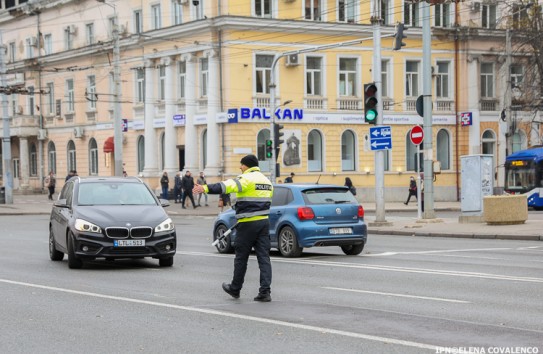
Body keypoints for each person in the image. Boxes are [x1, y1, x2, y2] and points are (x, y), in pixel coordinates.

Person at [193, 154, 273, 302]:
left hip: (247, 224)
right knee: (264, 258)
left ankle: (235, 289)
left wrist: (204, 188)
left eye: (241, 165)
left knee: (241, 258)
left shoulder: (246, 179)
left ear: (247, 165)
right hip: (263, 224)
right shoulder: (267, 181)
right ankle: (265, 292)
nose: (240, 167)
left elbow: (225, 186)